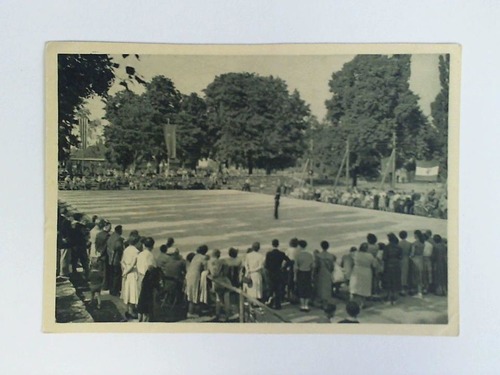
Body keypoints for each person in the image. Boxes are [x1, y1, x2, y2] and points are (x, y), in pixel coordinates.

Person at [349, 243, 378, 308]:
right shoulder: (370, 256)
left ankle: (352, 301)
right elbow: (374, 265)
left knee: (354, 285)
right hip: (366, 271)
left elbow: (349, 256)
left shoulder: (355, 254)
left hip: (357, 270)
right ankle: (362, 303)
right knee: (364, 287)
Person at [207, 249, 232, 321]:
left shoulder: (209, 262)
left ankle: (217, 314)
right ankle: (227, 315)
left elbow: (210, 273)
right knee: (226, 298)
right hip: (224, 281)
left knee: (218, 298)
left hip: (215, 282)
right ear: (219, 255)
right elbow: (226, 270)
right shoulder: (222, 261)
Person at [121, 232, 141, 319]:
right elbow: (133, 264)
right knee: (133, 292)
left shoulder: (126, 250)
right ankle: (132, 311)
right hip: (132, 272)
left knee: (127, 291)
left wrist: (124, 271)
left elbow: (122, 261)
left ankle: (128, 310)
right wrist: (127, 272)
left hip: (126, 270)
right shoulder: (136, 251)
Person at [265, 239, 289, 309]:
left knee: (271, 289)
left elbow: (266, 265)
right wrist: (284, 267)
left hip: (271, 273)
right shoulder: (281, 254)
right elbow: (289, 261)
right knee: (278, 289)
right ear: (278, 245)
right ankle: (278, 304)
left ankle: (270, 303)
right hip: (278, 272)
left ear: (272, 244)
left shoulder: (269, 254)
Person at [185, 245, 209, 317]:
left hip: (189, 275)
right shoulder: (203, 257)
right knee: (195, 293)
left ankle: (191, 311)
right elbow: (206, 268)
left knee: (191, 294)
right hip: (195, 276)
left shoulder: (195, 256)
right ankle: (191, 312)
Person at [294, 239, 315, 312]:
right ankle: (306, 305)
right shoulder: (310, 255)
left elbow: (296, 267)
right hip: (308, 273)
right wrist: (312, 275)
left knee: (301, 288)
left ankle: (302, 305)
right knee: (307, 288)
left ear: (299, 246)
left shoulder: (298, 255)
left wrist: (295, 276)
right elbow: (313, 266)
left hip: (300, 273)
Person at [314, 240, 336, 307]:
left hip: (321, 272)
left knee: (320, 287)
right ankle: (326, 301)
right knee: (327, 287)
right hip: (328, 273)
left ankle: (321, 301)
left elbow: (316, 266)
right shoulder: (331, 256)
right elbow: (332, 266)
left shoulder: (318, 256)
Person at [383, 233, 403, 304]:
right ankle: (395, 297)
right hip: (397, 265)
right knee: (395, 280)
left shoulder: (386, 247)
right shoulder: (399, 247)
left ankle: (389, 297)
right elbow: (401, 257)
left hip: (389, 265)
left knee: (389, 281)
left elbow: (384, 258)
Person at [69, 213, 90, 280]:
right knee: (84, 261)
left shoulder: (71, 225)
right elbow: (85, 235)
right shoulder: (81, 226)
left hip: (73, 246)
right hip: (81, 245)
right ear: (80, 218)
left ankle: (74, 275)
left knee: (74, 261)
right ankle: (86, 275)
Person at [105, 225, 124, 296]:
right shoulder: (118, 238)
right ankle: (115, 291)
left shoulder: (111, 237)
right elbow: (118, 246)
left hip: (110, 258)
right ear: (119, 231)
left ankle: (111, 289)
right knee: (117, 276)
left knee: (111, 275)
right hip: (116, 260)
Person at [410, 230, 425, 298]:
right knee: (420, 275)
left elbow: (412, 253)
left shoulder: (414, 244)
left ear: (416, 235)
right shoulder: (423, 243)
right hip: (421, 259)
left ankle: (419, 292)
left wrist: (410, 257)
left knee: (416, 276)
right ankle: (420, 291)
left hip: (415, 260)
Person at [398, 230, 412, 295]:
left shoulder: (398, 243)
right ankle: (406, 287)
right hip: (407, 259)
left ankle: (402, 288)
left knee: (401, 274)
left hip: (400, 259)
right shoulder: (409, 244)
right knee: (406, 273)